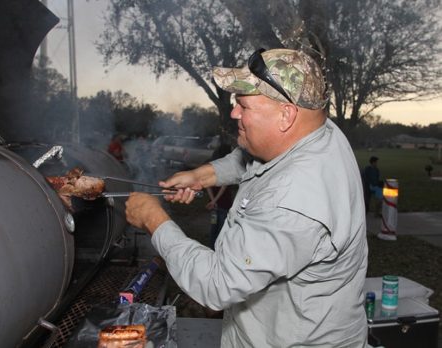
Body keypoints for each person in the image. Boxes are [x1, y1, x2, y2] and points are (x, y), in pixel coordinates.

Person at [125, 48, 368, 347]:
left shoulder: (294, 200)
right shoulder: (314, 127)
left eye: (243, 105)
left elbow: (218, 283)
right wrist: (201, 176)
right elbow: (253, 153)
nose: (233, 113)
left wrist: (154, 220)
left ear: (285, 116)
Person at [205, 143, 234, 250]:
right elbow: (224, 186)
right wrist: (215, 201)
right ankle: (218, 250)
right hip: (223, 203)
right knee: (221, 228)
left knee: (214, 227)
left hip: (214, 205)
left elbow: (206, 184)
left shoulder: (212, 165)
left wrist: (212, 201)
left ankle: (212, 248)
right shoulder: (227, 168)